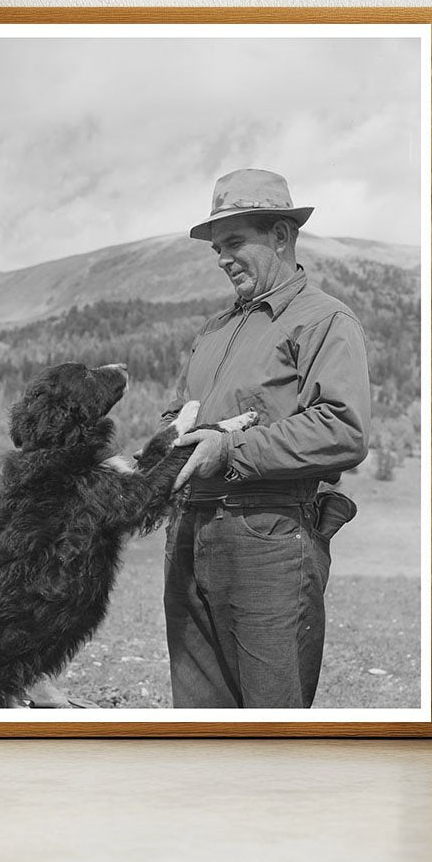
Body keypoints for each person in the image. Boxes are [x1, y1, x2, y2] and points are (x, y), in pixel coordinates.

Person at [163, 168, 371, 708]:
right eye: (216, 248)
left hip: (270, 539)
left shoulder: (325, 320)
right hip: (190, 532)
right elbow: (191, 415)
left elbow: (343, 428)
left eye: (234, 242)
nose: (223, 258)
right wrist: (171, 434)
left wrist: (229, 448)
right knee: (199, 724)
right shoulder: (214, 330)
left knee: (272, 726)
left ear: (281, 235)